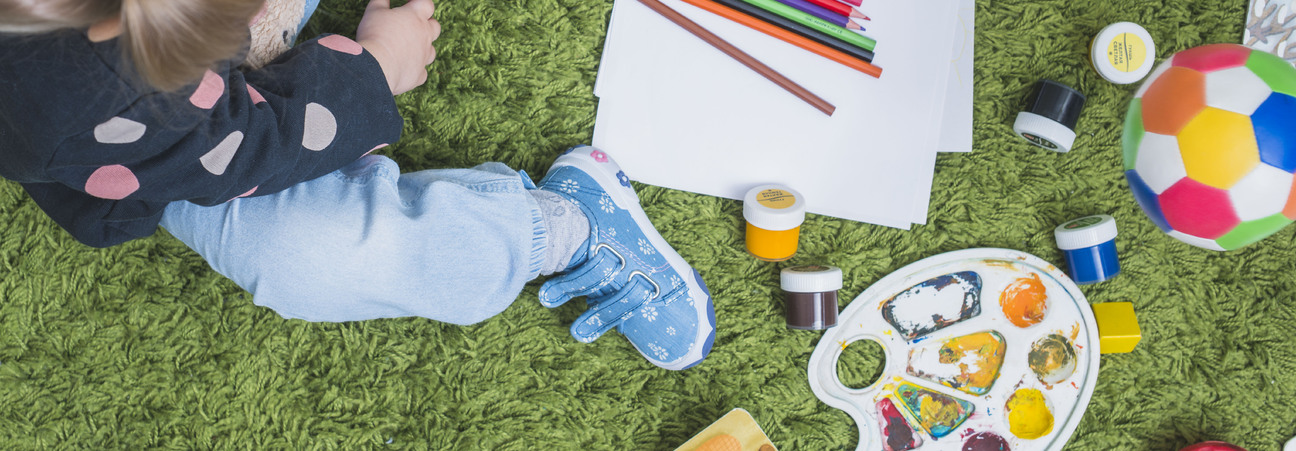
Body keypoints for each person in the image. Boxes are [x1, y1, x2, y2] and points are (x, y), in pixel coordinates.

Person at [0, 0, 716, 370]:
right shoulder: (93, 99)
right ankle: (560, 225)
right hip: (163, 155)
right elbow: (245, 145)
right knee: (307, 256)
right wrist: (374, 65)